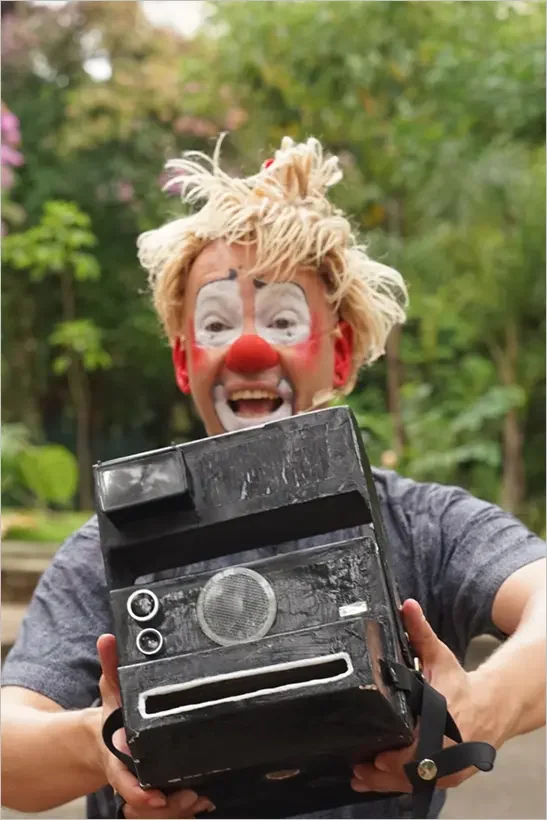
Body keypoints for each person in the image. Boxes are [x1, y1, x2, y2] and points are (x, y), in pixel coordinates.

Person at [2, 136, 545, 820]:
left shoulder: (422, 525)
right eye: (217, 324)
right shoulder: (113, 548)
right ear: (184, 362)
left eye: (284, 321)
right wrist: (95, 744)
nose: (248, 349)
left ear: (339, 353)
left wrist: (483, 704)